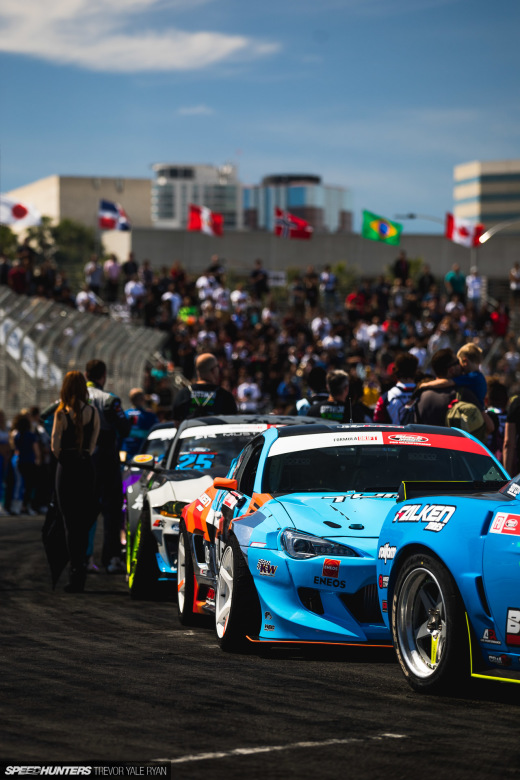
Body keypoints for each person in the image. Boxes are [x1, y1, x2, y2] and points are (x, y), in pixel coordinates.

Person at [51, 371, 100, 592]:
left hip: (67, 467)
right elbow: (93, 443)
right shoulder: (92, 411)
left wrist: (65, 459)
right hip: (85, 466)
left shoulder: (61, 413)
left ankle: (74, 572)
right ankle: (81, 565)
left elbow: (54, 445)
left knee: (69, 521)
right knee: (84, 519)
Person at [86, 359, 132, 574]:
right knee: (112, 511)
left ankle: (82, 559)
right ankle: (112, 558)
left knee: (83, 511)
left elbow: (48, 417)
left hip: (80, 460)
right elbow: (124, 429)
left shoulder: (72, 398)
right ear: (103, 375)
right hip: (106, 458)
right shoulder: (109, 400)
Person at [172, 353, 238, 423]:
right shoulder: (225, 396)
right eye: (217, 366)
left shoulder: (182, 394)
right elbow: (232, 423)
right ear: (213, 370)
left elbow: (177, 423)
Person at [373, 353, 418, 425]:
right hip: (421, 435)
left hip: (393, 435)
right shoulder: (424, 394)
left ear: (395, 370)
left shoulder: (386, 398)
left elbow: (377, 426)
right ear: (416, 371)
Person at [121, 388, 159, 460]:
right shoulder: (150, 416)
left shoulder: (124, 414)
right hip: (143, 454)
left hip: (125, 453)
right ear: (143, 400)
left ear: (130, 400)